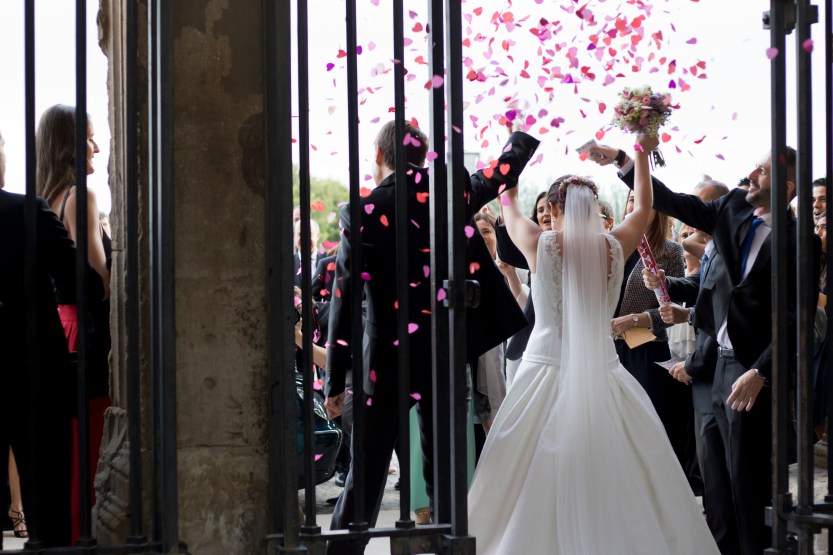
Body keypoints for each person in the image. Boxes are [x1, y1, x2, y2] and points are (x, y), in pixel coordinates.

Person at [468, 134, 717, 554]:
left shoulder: (539, 245)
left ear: (554, 210)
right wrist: (638, 152)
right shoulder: (615, 246)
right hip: (606, 369)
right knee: (624, 465)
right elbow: (643, 206)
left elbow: (507, 204)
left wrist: (512, 166)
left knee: (525, 471)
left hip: (543, 370)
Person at [324, 121, 538, 553]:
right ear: (421, 157)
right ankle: (446, 543)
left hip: (382, 359)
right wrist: (520, 133)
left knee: (365, 473)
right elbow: (502, 170)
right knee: (443, 469)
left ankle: (345, 550)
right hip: (442, 352)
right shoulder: (450, 191)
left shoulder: (360, 212)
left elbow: (344, 302)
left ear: (380, 156)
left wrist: (333, 382)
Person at [603, 142, 813, 554]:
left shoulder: (800, 240)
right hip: (712, 372)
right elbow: (672, 203)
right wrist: (628, 161)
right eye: (754, 166)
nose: (751, 175)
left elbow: (797, 319)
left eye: (763, 171)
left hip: (749, 375)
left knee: (747, 489)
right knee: (714, 489)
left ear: (786, 187)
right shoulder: (731, 208)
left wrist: (762, 371)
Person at [0, 127, 103, 547]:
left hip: (33, 372)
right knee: (50, 506)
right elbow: (87, 286)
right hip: (32, 372)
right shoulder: (26, 212)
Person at [35, 104, 111, 542]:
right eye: (88, 137)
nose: (97, 147)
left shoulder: (47, 197)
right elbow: (97, 282)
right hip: (86, 333)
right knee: (91, 453)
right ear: (68, 145)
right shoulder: (81, 196)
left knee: (66, 453)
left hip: (61, 331)